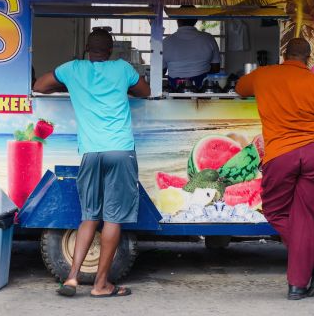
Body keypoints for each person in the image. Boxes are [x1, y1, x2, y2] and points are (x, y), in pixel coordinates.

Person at [33, 29, 150, 298]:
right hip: (120, 150)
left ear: (87, 48)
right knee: (113, 219)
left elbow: (39, 86)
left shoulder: (72, 69)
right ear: (110, 50)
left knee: (89, 217)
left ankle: (72, 279)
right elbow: (145, 91)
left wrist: (70, 85)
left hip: (90, 152)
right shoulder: (122, 68)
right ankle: (100, 285)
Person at [235, 38, 314, 300]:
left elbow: (239, 88)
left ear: (284, 54)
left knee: (274, 210)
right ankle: (300, 279)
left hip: (281, 154)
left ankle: (309, 271)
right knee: (304, 218)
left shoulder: (264, 75)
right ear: (308, 58)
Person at [163, 18, 221, 90]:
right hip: (203, 88)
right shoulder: (208, 38)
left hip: (175, 88)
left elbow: (161, 70)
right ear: (196, 20)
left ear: (178, 20)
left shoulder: (166, 41)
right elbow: (216, 68)